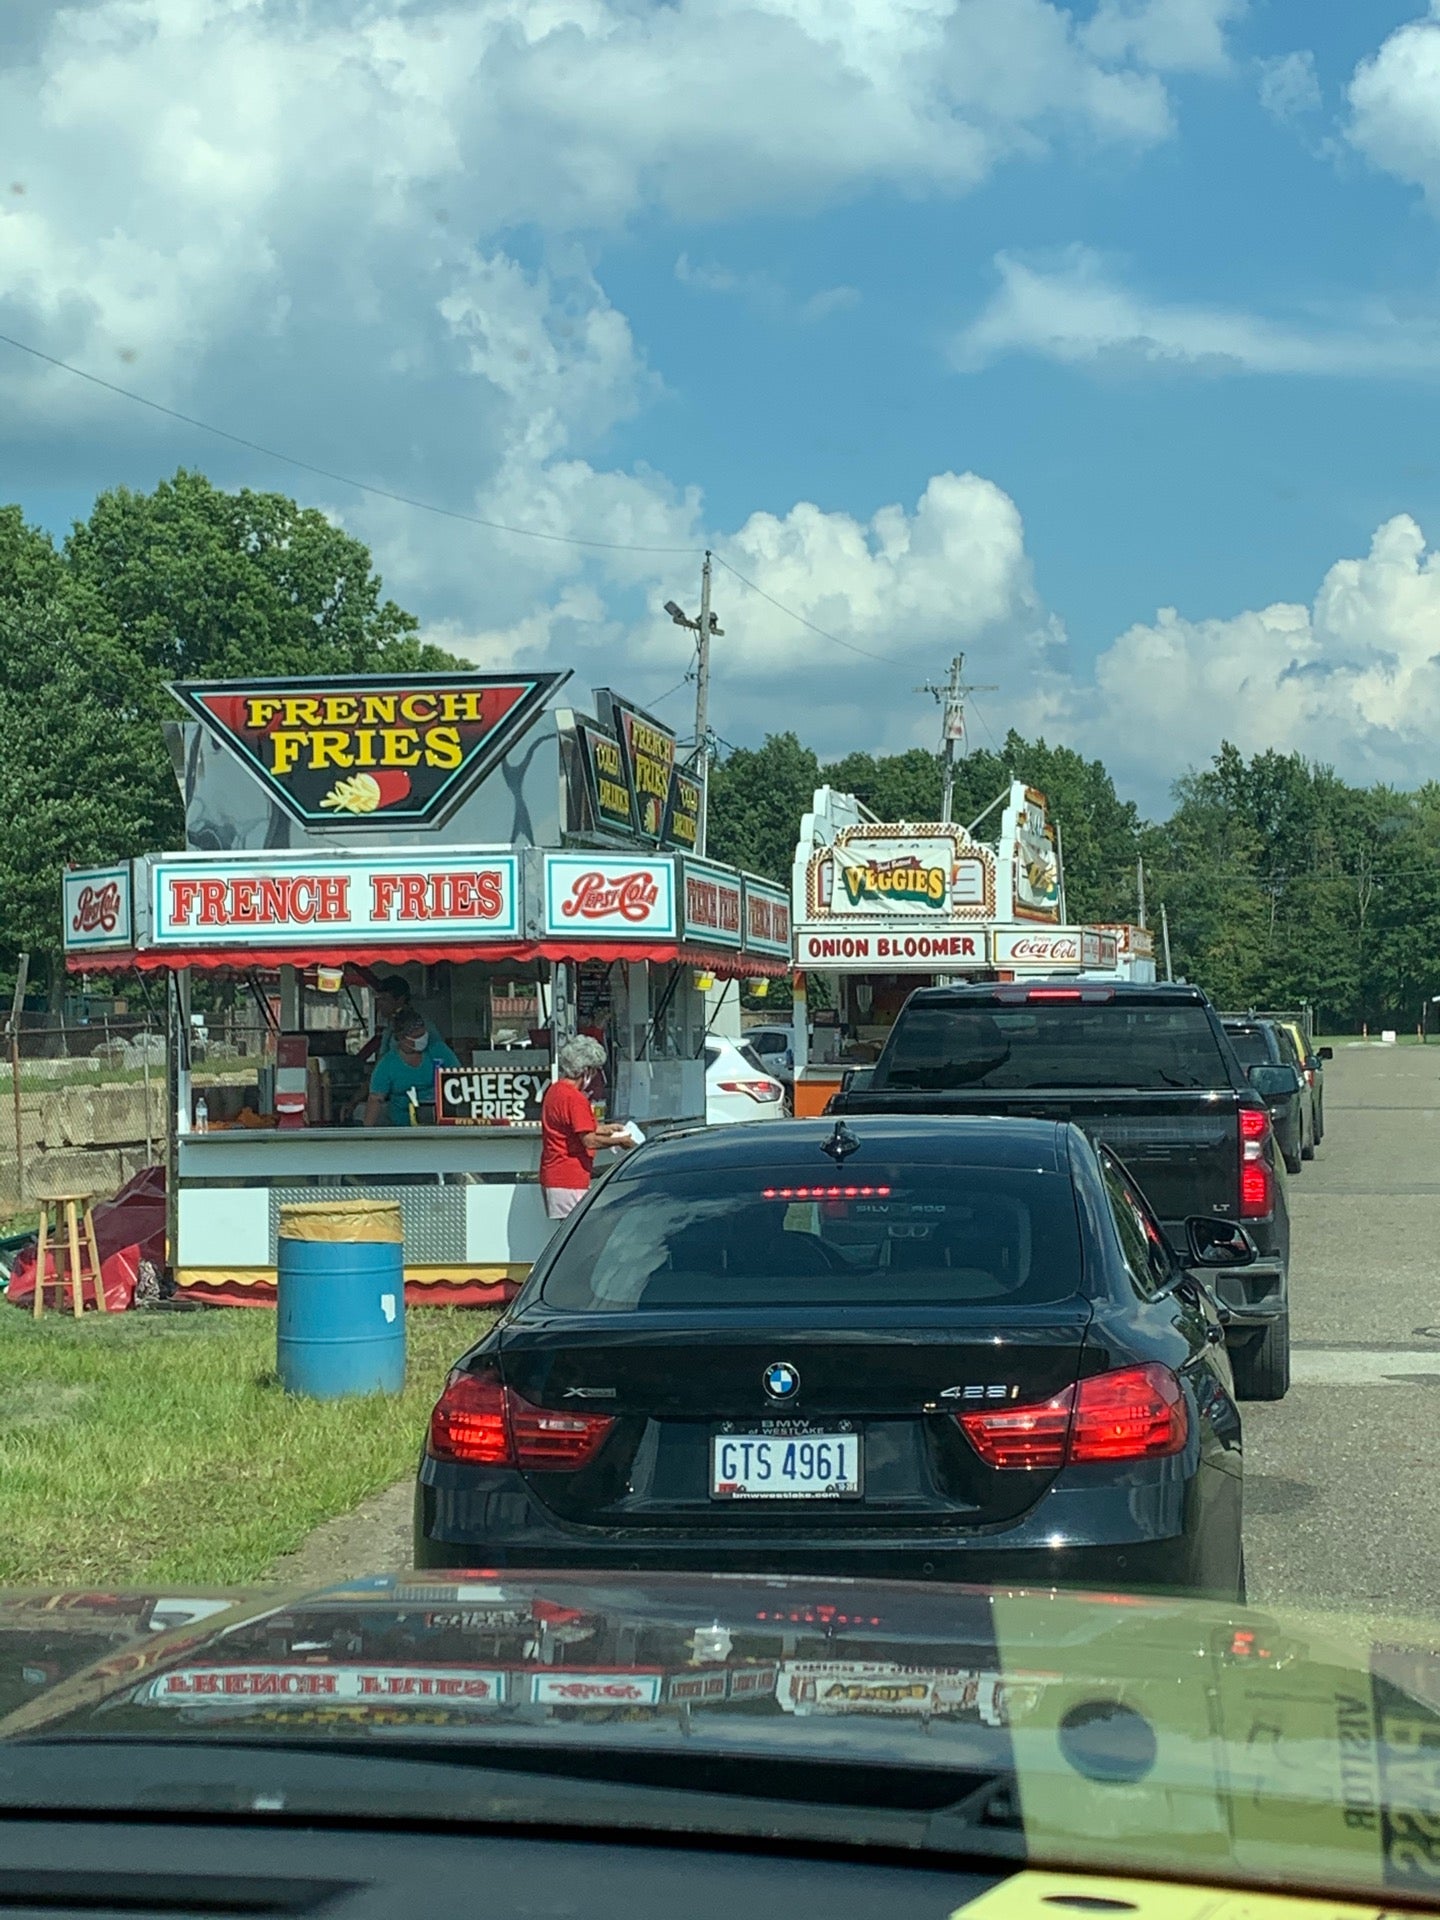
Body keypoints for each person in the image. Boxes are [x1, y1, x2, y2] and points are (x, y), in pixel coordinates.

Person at [539, 1035, 634, 1222]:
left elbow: (571, 1128)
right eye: (596, 1070)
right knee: (580, 1237)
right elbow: (588, 1140)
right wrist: (621, 1141)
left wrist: (605, 1129)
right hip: (569, 1179)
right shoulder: (575, 1098)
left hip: (554, 1176)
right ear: (587, 1069)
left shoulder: (556, 1090)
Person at [364, 1010, 459, 1126]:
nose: (422, 1039)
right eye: (416, 1037)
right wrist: (365, 1136)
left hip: (441, 1123)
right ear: (401, 1038)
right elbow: (375, 1099)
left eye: (424, 1035)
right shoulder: (387, 1064)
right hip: (403, 1127)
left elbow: (459, 1076)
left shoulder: (438, 1050)